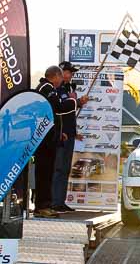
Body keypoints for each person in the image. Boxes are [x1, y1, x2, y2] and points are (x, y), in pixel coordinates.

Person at [34, 66, 77, 218]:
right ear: (56, 76)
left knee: (47, 172)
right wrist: (74, 101)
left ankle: (42, 206)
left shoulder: (45, 87)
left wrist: (59, 133)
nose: (61, 81)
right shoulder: (47, 87)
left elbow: (51, 114)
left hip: (49, 136)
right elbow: (57, 108)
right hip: (44, 140)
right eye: (60, 78)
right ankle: (43, 206)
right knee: (45, 173)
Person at [51, 62, 88, 212]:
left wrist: (74, 131)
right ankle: (53, 201)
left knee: (66, 169)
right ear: (60, 73)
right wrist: (77, 101)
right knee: (58, 168)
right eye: (68, 72)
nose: (70, 75)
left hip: (70, 134)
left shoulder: (69, 88)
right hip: (60, 136)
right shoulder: (55, 89)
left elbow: (69, 113)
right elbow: (59, 109)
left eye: (71, 73)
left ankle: (61, 201)